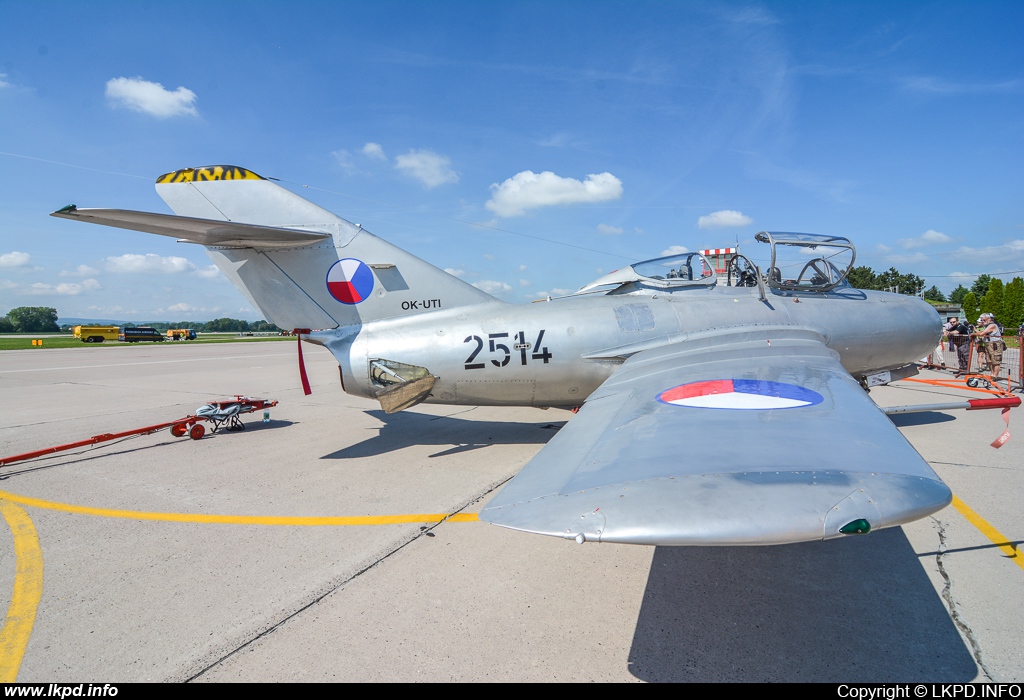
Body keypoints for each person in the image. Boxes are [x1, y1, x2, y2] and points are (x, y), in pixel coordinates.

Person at [972, 313, 1005, 384]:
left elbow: (982, 334)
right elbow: (982, 333)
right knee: (989, 360)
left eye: (983, 320)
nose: (982, 321)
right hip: (988, 344)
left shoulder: (992, 325)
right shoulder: (986, 326)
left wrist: (973, 334)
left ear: (988, 319)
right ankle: (992, 374)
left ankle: (995, 376)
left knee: (996, 360)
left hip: (994, 344)